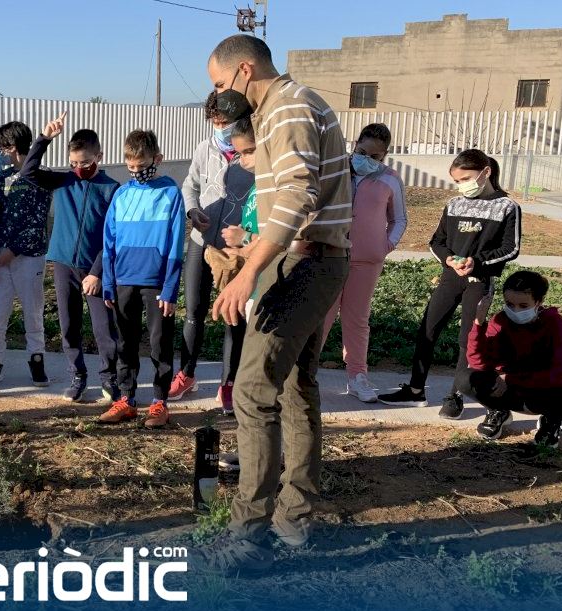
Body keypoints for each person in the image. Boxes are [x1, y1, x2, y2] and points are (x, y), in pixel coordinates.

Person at [203, 35, 352, 571]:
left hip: (302, 263)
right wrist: (251, 252)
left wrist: (249, 273)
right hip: (310, 259)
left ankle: (249, 534)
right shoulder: (282, 110)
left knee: (252, 392)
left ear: (244, 71)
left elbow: (296, 193)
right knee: (294, 389)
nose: (218, 93)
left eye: (219, 82)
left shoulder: (288, 106)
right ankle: (294, 522)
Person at [378, 148, 521, 416]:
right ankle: (415, 390)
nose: (462, 185)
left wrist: (477, 262)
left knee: (468, 339)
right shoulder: (454, 204)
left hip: (479, 281)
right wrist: (449, 260)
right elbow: (437, 241)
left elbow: (510, 248)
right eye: (457, 181)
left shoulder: (507, 207)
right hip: (450, 279)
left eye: (466, 178)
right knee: (427, 330)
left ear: (485, 172)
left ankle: (456, 396)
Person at [20, 115, 121, 403]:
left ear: (99, 156)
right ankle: (77, 375)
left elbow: (113, 236)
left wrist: (97, 272)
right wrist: (44, 138)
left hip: (95, 269)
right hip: (64, 264)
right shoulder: (64, 180)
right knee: (68, 325)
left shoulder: (111, 189)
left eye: (85, 162)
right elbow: (27, 172)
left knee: (104, 328)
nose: (79, 168)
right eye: (73, 162)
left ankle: (109, 377)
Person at [173, 91, 255, 413]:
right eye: (215, 122)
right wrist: (192, 210)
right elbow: (190, 185)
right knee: (194, 311)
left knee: (234, 315)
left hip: (233, 250)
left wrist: (244, 238)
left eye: (225, 122)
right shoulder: (204, 148)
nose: (220, 128)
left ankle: (229, 382)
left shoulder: (253, 155)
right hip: (200, 240)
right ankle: (187, 374)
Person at [98, 129, 185, 428]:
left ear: (157, 159)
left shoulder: (171, 193)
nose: (136, 172)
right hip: (123, 279)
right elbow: (108, 242)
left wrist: (171, 287)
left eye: (142, 165)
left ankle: (160, 401)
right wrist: (108, 282)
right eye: (131, 166)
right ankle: (126, 399)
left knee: (160, 341)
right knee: (126, 341)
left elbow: (176, 244)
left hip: (157, 282)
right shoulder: (121, 195)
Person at [322, 123, 408, 403]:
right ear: (355, 144)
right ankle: (303, 372)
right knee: (321, 315)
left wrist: (385, 245)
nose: (367, 160)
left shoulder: (390, 179)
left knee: (357, 319)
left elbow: (399, 219)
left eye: (375, 157)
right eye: (362, 152)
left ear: (385, 155)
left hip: (366, 261)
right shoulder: (335, 170)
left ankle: (357, 376)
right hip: (330, 255)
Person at [457, 271, 562, 448]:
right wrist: (479, 324)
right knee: (466, 378)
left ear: (539, 302)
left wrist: (510, 379)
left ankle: (550, 421)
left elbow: (561, 375)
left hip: (539, 389)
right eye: (510, 304)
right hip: (508, 388)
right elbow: (478, 363)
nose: (515, 310)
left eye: (523, 305)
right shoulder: (500, 320)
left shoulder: (555, 324)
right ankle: (498, 411)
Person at [0, 121, 51, 389]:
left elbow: (38, 219)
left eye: (4, 147)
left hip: (29, 257)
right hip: (0, 260)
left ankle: (36, 359)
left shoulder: (41, 177)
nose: (1, 153)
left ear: (16, 146)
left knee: (33, 311)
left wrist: (14, 249)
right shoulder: (2, 178)